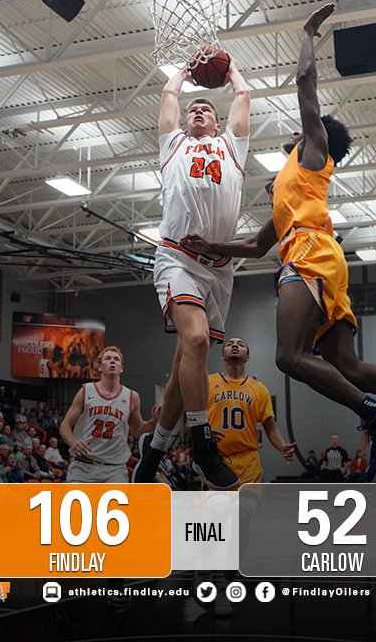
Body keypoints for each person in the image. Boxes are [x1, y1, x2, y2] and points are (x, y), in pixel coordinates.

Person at [179, 3, 376, 483]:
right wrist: (209, 244)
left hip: (311, 255)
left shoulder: (314, 152)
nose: (297, 130)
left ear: (313, 134)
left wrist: (307, 34)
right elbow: (258, 246)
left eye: (303, 126)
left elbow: (305, 85)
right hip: (315, 255)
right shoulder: (288, 183)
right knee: (351, 367)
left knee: (288, 357)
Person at [130, 51, 252, 492]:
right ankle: (202, 444)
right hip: (177, 257)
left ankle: (155, 450)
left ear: (217, 125)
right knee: (198, 341)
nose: (199, 111)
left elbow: (243, 93)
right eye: (193, 109)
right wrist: (184, 70)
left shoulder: (232, 148)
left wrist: (230, 66)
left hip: (218, 270)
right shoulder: (173, 145)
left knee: (187, 358)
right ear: (185, 121)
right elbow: (167, 94)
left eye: (207, 110)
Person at [204, 337, 295, 486]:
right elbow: (190, 424)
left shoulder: (259, 389)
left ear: (247, 357)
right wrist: (204, 430)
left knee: (244, 508)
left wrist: (282, 446)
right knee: (221, 509)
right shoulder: (207, 383)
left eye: (240, 344)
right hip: (215, 459)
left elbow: (270, 428)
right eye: (229, 344)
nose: (234, 345)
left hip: (248, 462)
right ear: (222, 356)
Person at [61, 347, 156, 484]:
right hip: (83, 465)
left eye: (116, 359)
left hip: (114, 470)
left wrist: (153, 422)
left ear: (121, 368)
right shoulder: (86, 390)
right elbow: (65, 425)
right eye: (108, 358)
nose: (112, 361)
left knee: (117, 504)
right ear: (99, 367)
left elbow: (137, 430)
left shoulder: (131, 396)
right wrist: (73, 442)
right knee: (77, 504)